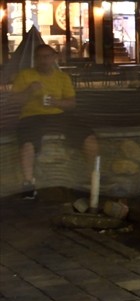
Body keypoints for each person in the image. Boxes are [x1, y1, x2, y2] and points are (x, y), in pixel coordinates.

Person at [11, 44, 99, 200]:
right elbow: (14, 101)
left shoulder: (62, 77)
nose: (43, 60)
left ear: (54, 58)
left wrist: (56, 103)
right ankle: (28, 184)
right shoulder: (25, 75)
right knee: (27, 143)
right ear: (35, 59)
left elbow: (71, 104)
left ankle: (93, 178)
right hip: (32, 116)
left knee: (89, 137)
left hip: (59, 115)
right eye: (39, 57)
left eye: (47, 56)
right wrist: (29, 91)